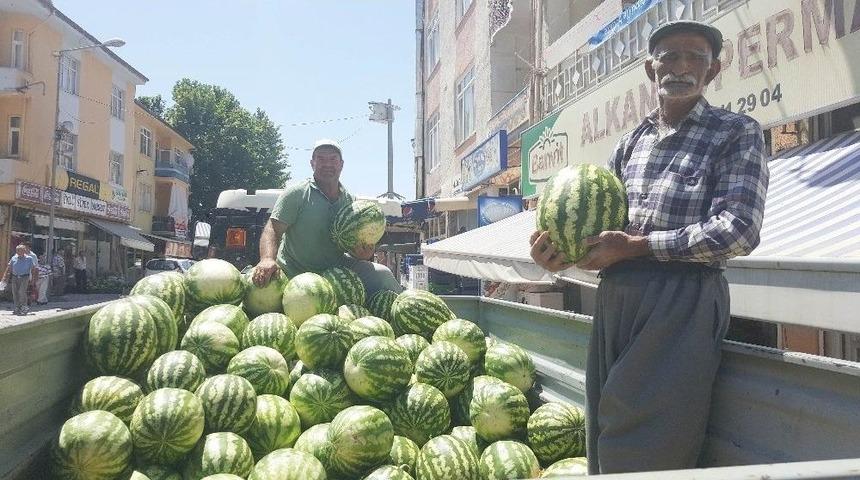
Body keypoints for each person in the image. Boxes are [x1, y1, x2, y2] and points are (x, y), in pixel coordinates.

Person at [530, 21, 769, 473]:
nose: (681, 67)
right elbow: (602, 243)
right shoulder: (629, 144)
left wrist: (639, 247)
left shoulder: (736, 132)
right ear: (649, 69)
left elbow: (738, 230)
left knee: (645, 442)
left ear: (713, 70)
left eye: (695, 58)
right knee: (603, 428)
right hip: (617, 295)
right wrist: (559, 257)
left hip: (683, 297)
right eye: (669, 57)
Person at [252, 139, 401, 296]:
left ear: (341, 164)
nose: (327, 164)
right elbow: (272, 229)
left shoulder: (349, 200)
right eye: (321, 159)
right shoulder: (297, 194)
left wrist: (362, 254)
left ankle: (402, 309)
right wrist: (267, 259)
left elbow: (349, 244)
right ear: (312, 163)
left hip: (335, 272)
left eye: (333, 159)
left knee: (382, 274)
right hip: (295, 272)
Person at [2, 244, 39, 315]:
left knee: (22, 292)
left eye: (20, 250)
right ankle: (17, 307)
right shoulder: (14, 258)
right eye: (17, 250)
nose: (18, 252)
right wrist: (5, 277)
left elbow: (33, 269)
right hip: (15, 277)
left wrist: (33, 279)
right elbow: (9, 267)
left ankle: (24, 307)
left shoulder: (29, 258)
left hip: (24, 277)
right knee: (15, 292)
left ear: (24, 251)